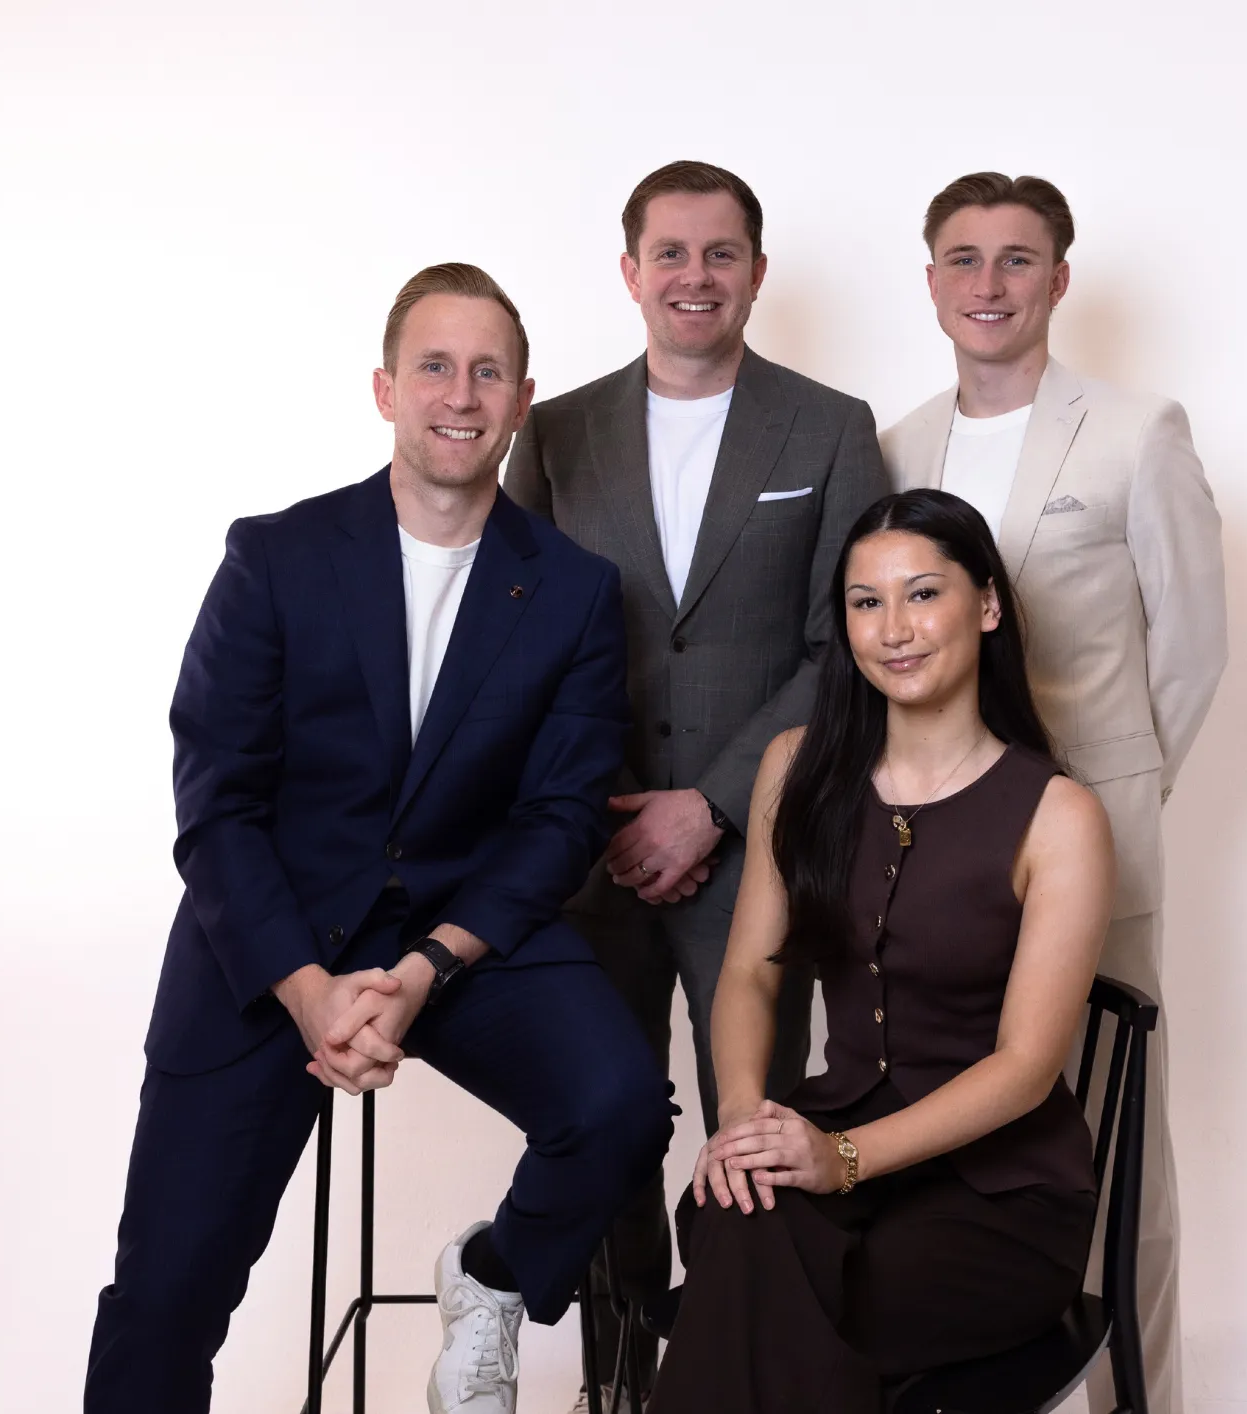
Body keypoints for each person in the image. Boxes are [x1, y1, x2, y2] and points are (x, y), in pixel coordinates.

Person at [83, 263, 674, 1414]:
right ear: (385, 389)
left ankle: (493, 1274)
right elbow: (217, 806)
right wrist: (308, 989)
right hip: (269, 942)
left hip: (462, 933)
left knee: (617, 1105)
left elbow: (559, 817)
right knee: (168, 1288)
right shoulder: (274, 557)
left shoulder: (571, 589)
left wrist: (424, 967)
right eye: (435, 367)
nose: (461, 394)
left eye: (488, 371)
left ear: (521, 398)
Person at [504, 159, 887, 1402]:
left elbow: (846, 644)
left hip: (759, 849)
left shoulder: (829, 427)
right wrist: (607, 799)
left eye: (720, 253)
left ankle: (735, 1370)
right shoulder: (553, 432)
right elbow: (515, 633)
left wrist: (711, 802)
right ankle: (613, 1377)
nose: (694, 276)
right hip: (590, 849)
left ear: (756, 273)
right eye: (668, 253)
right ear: (628, 273)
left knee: (757, 1126)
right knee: (605, 1122)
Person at [879, 172, 1228, 1414]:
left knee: (1119, 1158)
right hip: (935, 852)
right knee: (950, 1140)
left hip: (1095, 838)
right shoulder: (896, 443)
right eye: (963, 260)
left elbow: (1190, 647)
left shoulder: (1139, 431)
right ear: (930, 282)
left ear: (1058, 279)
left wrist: (1118, 787)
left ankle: (1139, 1402)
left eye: (1016, 259)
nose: (988, 285)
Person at [646, 488, 1114, 1413]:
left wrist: (844, 1159)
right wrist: (742, 1119)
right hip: (829, 1129)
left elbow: (1025, 1067)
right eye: (866, 603)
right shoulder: (797, 767)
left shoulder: (1060, 818)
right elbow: (747, 972)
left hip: (999, 1198)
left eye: (922, 594)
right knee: (736, 1211)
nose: (893, 629)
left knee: (770, 1266)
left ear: (987, 607)